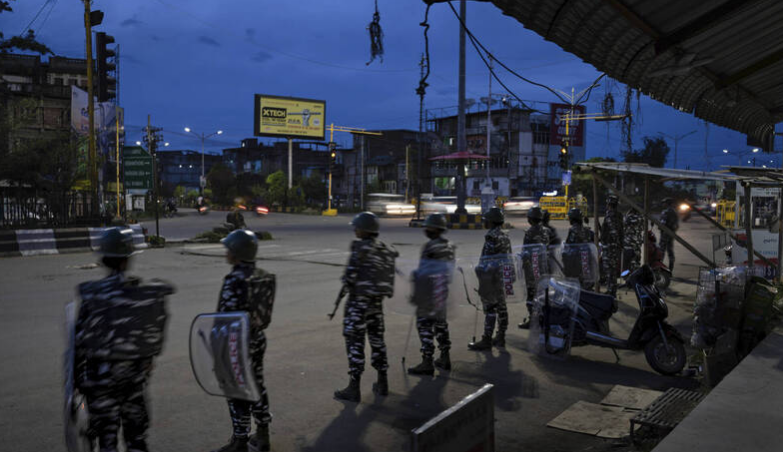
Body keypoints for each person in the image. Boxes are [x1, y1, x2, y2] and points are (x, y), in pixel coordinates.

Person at [74, 227, 174, 452]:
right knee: (136, 439)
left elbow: (79, 342)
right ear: (127, 260)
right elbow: (154, 336)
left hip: (99, 383)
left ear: (104, 259)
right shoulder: (146, 294)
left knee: (106, 441)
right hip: (133, 382)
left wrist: (77, 381)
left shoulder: (91, 294)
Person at [212, 229, 273, 452]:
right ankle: (263, 433)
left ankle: (240, 440)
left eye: (229, 248)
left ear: (236, 253)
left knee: (236, 389)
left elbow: (224, 317)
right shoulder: (262, 275)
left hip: (237, 343)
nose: (226, 252)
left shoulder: (233, 280)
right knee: (257, 385)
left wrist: (218, 349)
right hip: (257, 339)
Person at [335, 212, 398, 403]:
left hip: (358, 305)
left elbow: (350, 277)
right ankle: (382, 381)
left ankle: (354, 387)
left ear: (363, 229)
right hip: (376, 305)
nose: (355, 230)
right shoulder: (384, 249)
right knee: (377, 341)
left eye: (357, 227)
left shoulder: (359, 248)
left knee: (355, 342)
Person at [408, 213, 456, 376]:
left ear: (435, 228)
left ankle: (427, 361)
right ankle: (445, 356)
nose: (426, 229)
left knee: (424, 325)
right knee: (441, 324)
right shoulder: (449, 245)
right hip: (441, 290)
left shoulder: (430, 247)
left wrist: (416, 290)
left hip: (428, 292)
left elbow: (425, 272)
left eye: (428, 226)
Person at [469, 207, 512, 349]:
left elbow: (487, 260)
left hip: (491, 278)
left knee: (490, 308)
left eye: (486, 220)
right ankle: (501, 336)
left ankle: (487, 339)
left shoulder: (491, 237)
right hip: (503, 276)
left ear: (492, 221)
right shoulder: (505, 236)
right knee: (502, 306)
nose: (484, 222)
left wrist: (479, 271)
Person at [518, 206, 550, 329]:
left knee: (531, 293)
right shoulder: (546, 231)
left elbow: (526, 252)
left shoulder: (530, 232)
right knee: (542, 292)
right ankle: (542, 317)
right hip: (543, 267)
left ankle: (533, 319)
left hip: (532, 268)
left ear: (530, 219)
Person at [563, 207, 596, 289]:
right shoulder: (588, 231)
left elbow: (568, 246)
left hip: (576, 263)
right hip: (587, 262)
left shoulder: (573, 231)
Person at [600, 195, 624, 297]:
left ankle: (611, 291)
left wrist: (611, 242)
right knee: (613, 269)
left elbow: (613, 231)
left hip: (610, 246)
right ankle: (612, 290)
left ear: (609, 204)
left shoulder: (610, 215)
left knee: (609, 269)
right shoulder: (619, 215)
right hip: (615, 246)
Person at [659, 198, 678, 273]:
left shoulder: (665, 212)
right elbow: (676, 225)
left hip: (665, 233)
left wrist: (660, 227)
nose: (663, 204)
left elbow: (662, 223)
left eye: (664, 203)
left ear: (667, 203)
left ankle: (660, 268)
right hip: (671, 233)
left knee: (661, 251)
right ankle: (671, 268)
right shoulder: (674, 211)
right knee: (670, 251)